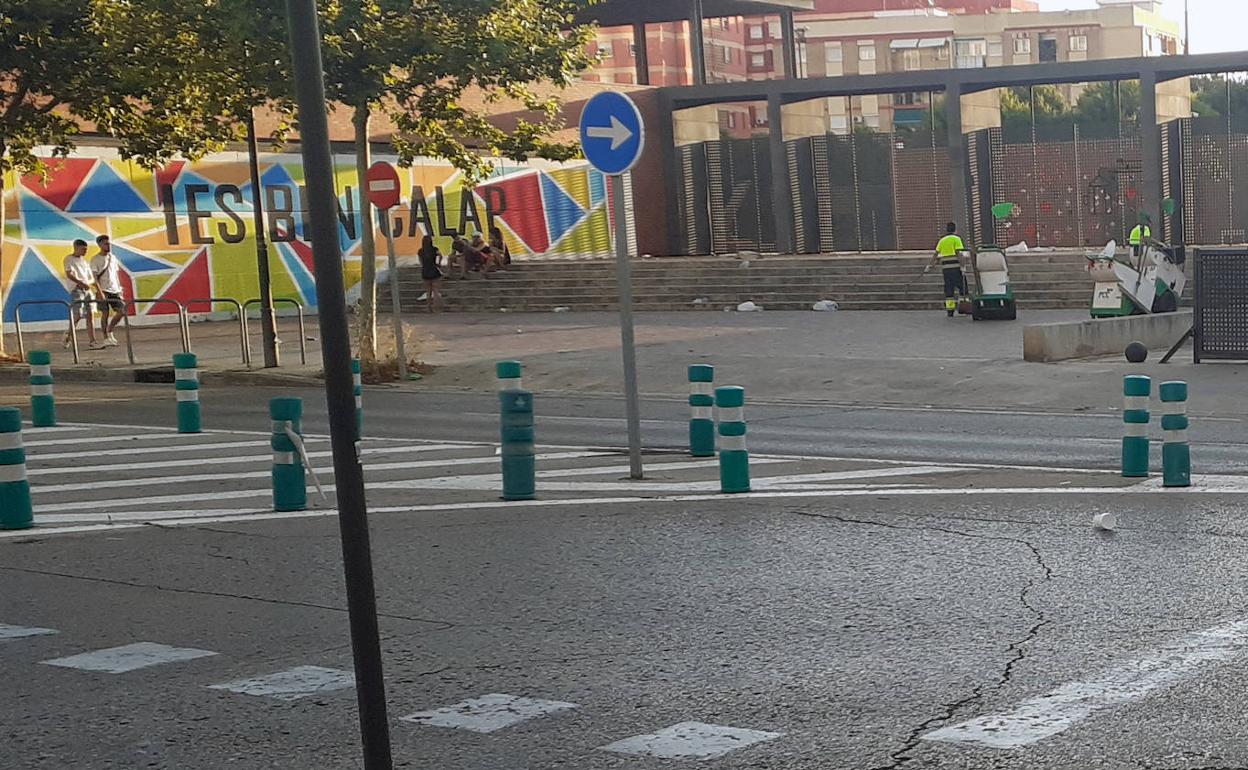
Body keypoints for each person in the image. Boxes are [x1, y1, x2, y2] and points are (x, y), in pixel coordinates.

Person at [62, 239, 103, 349]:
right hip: (77, 289)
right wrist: (80, 283)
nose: (85, 252)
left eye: (86, 250)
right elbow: (69, 274)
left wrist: (99, 291)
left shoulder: (85, 262)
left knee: (90, 315)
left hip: (87, 289)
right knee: (78, 314)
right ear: (76, 248)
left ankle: (93, 341)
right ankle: (68, 335)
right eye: (83, 249)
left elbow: (91, 279)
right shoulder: (69, 259)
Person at [928, 222, 968, 318]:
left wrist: (930, 265)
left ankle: (950, 311)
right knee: (963, 288)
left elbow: (936, 254)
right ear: (955, 229)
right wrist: (963, 266)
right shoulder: (956, 239)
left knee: (949, 289)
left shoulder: (942, 240)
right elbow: (959, 253)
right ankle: (963, 308)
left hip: (946, 269)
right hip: (956, 268)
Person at [91, 234, 125, 346]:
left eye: (109, 243)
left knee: (121, 311)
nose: (108, 246)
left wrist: (119, 288)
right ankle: (105, 337)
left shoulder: (112, 258)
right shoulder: (95, 259)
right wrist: (100, 292)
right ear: (100, 245)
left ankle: (110, 330)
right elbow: (94, 277)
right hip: (103, 289)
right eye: (105, 244)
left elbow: (115, 274)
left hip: (114, 290)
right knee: (104, 313)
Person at [418, 234, 444, 313]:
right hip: (434, 269)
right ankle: (437, 308)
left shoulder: (420, 251)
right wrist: (438, 263)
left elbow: (420, 262)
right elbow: (440, 255)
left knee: (428, 291)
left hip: (425, 270)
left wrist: (424, 265)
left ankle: (429, 308)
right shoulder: (434, 249)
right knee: (436, 291)